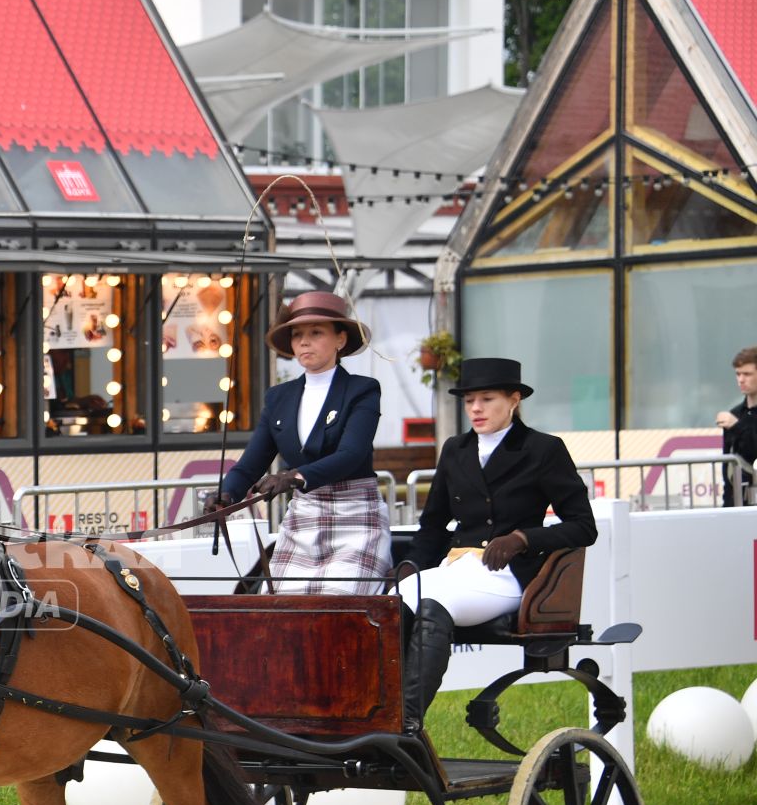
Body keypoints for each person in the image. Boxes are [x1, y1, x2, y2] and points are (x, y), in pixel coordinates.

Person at [398, 357, 597, 731]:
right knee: (392, 602)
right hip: (458, 567)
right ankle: (370, 717)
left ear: (514, 399)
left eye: (487, 399)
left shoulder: (543, 449)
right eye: (470, 400)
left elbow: (583, 527)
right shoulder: (455, 450)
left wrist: (523, 538)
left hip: (507, 576)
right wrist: (410, 564)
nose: (475, 408)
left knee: (432, 603)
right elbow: (433, 525)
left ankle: (407, 725)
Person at [208, 291, 390, 593]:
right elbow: (252, 463)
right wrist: (226, 495)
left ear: (340, 340)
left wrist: (295, 475)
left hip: (356, 516)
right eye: (297, 334)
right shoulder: (279, 397)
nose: (304, 341)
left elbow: (353, 453)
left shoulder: (362, 389)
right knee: (282, 612)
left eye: (316, 332)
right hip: (304, 518)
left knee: (338, 606)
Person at [716, 345, 757, 506]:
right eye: (738, 374)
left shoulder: (734, 421)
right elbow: (728, 467)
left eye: (747, 374)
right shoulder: (736, 414)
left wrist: (737, 427)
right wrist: (727, 507)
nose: (741, 380)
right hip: (738, 503)